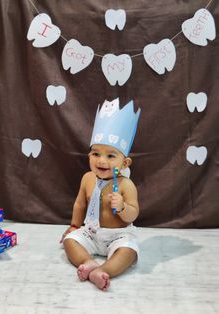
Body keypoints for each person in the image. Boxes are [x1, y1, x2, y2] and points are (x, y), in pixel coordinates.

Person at [61, 98, 141, 291]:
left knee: (129, 251)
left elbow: (133, 213)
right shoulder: (87, 178)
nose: (101, 161)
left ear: (125, 163)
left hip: (118, 235)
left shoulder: (125, 185)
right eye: (95, 154)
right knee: (69, 241)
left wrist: (123, 207)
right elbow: (80, 204)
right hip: (91, 231)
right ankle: (88, 262)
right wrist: (74, 225)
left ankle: (104, 270)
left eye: (111, 156)